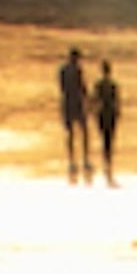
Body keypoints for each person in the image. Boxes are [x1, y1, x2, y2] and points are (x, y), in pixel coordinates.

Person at [59, 47, 92, 183]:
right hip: (76, 103)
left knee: (70, 133)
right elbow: (81, 87)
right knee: (84, 131)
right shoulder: (77, 70)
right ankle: (85, 158)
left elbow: (62, 87)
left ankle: (72, 160)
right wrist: (88, 100)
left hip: (66, 103)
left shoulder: (62, 70)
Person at [92, 59, 122, 185]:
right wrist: (118, 113)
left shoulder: (98, 85)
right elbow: (117, 101)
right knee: (109, 140)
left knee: (104, 139)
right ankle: (108, 164)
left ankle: (106, 163)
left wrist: (93, 112)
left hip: (102, 114)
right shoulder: (113, 85)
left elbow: (94, 99)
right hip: (110, 114)